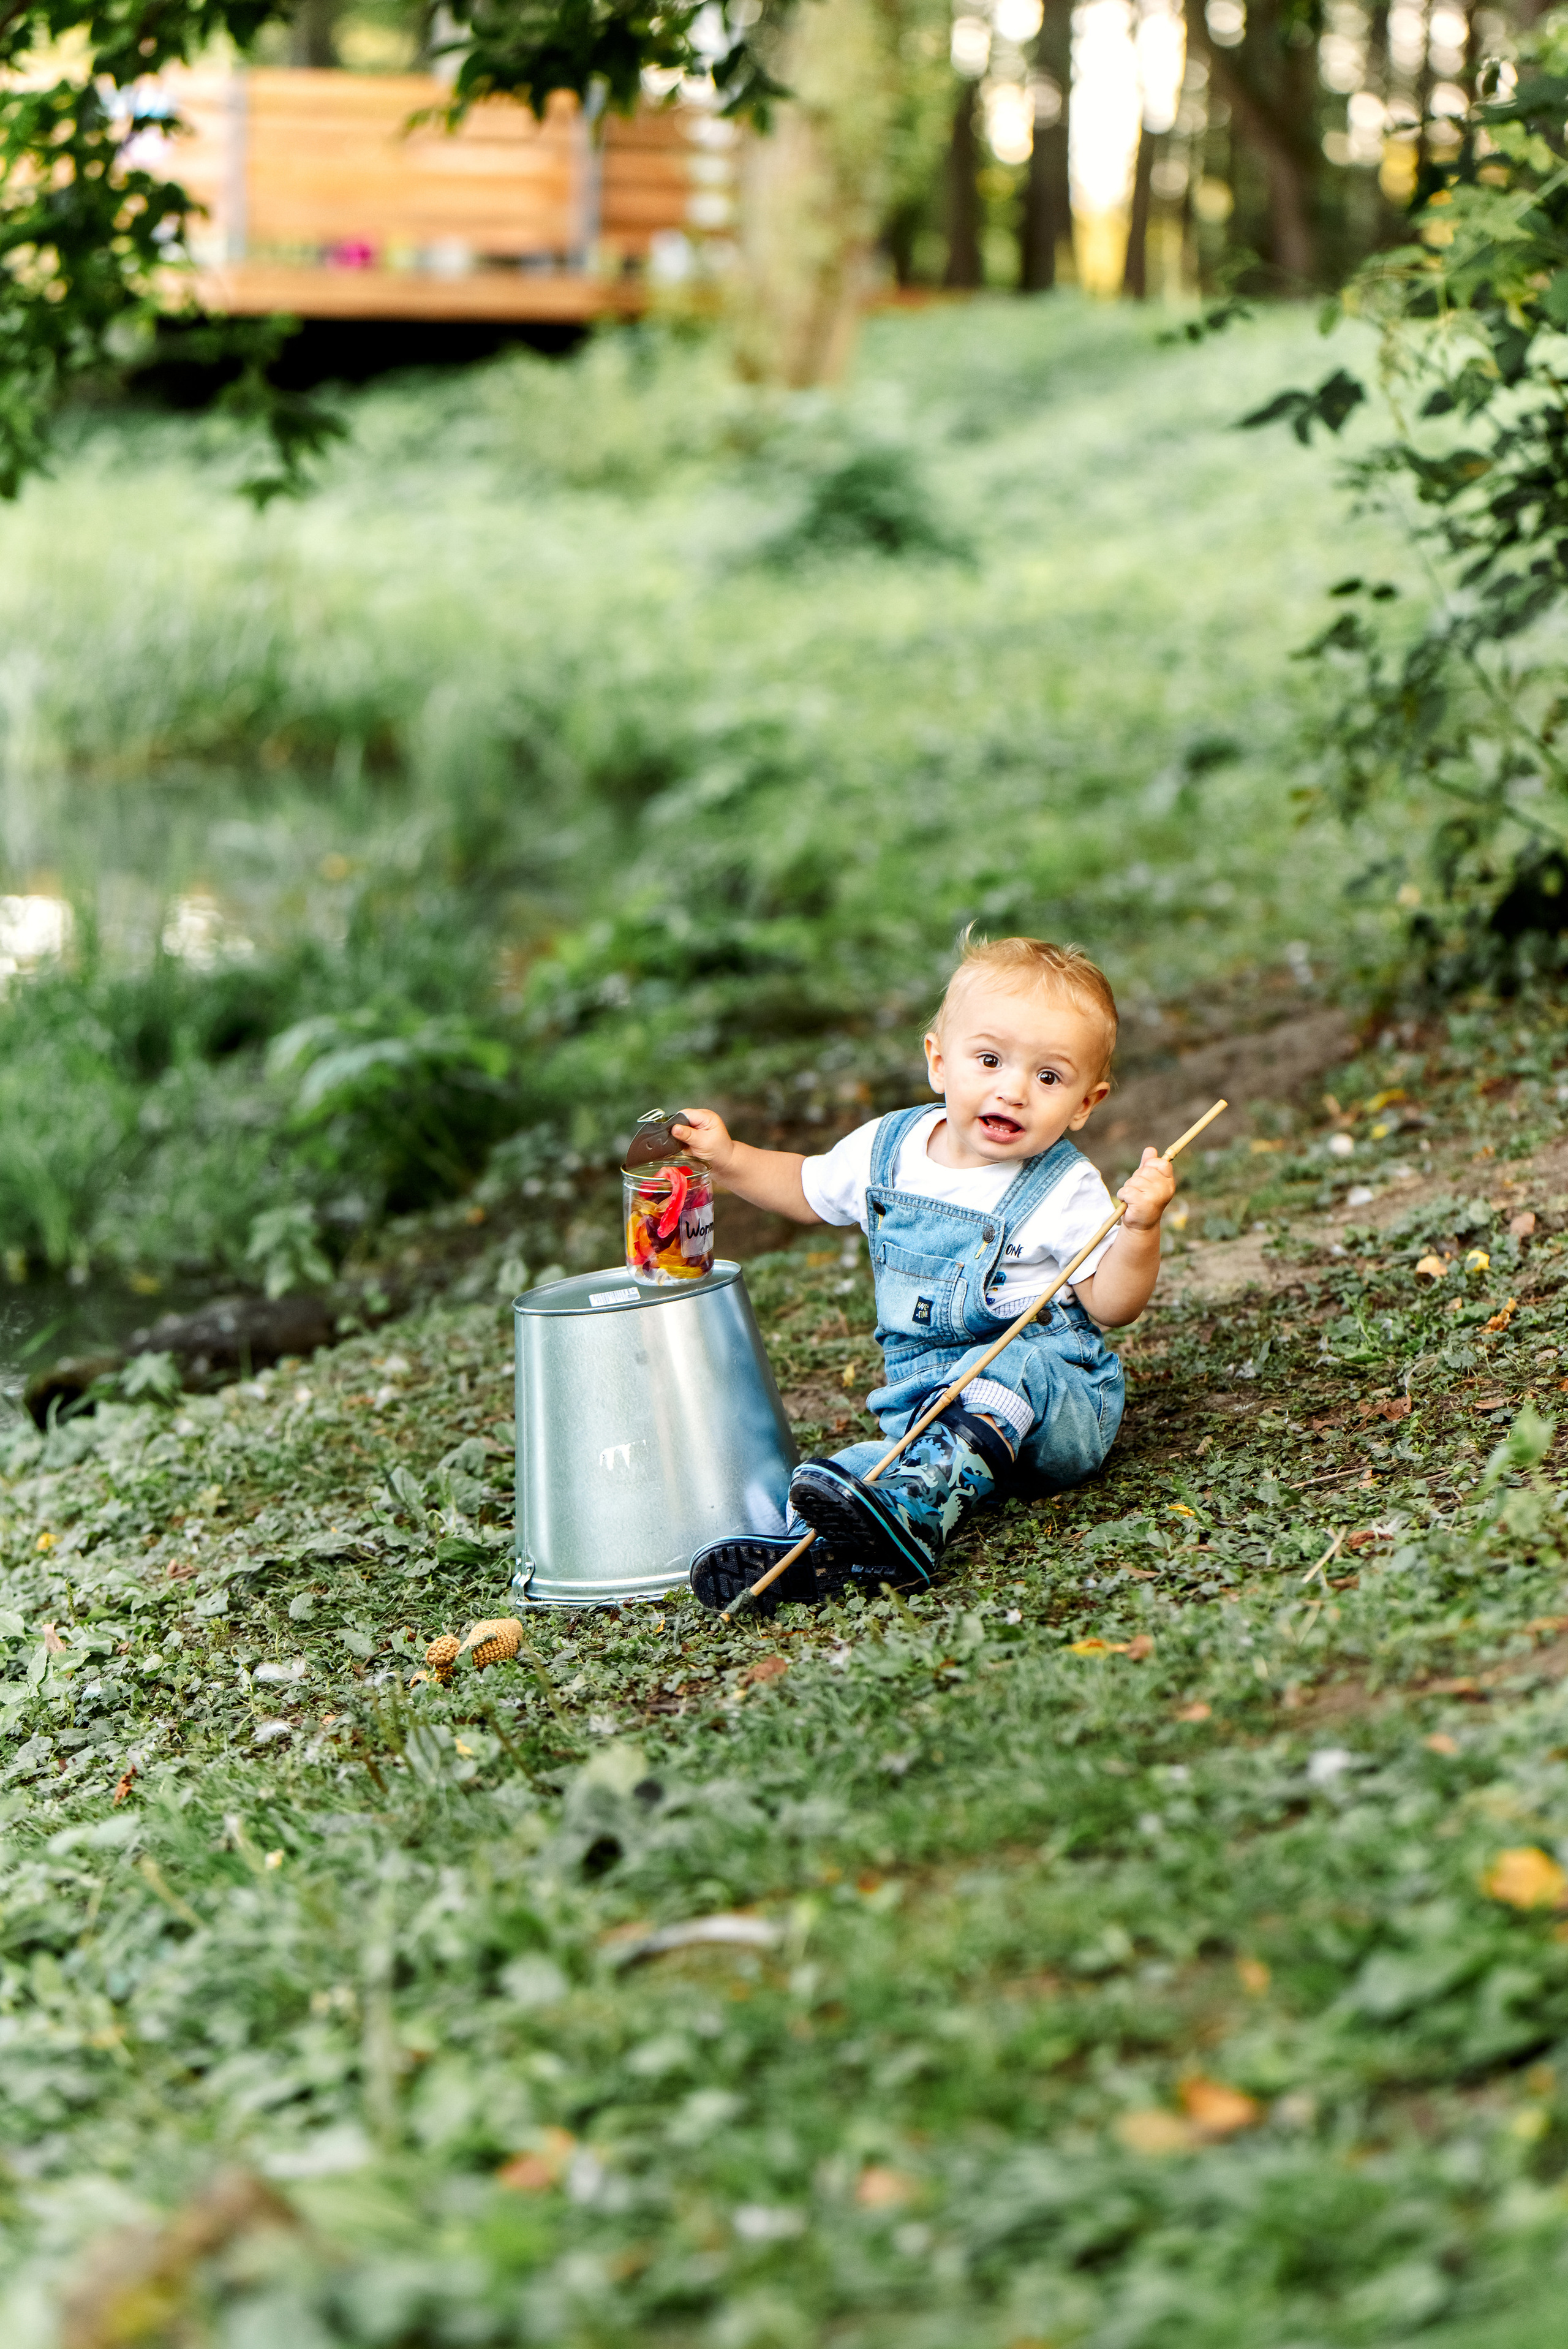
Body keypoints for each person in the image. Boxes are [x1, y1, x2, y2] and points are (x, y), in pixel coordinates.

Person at [674, 934, 1178, 1613]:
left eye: (1049, 1077)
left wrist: (1139, 1230)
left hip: (1057, 1412)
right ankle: (804, 1554)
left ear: (1086, 1103)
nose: (1014, 1090)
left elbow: (1113, 1304)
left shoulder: (1065, 1188)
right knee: (852, 1473)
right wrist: (731, 1158)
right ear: (940, 1061)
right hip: (925, 1408)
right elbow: (804, 1186)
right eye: (990, 1059)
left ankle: (918, 1507)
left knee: (1012, 1367)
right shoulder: (890, 1150)